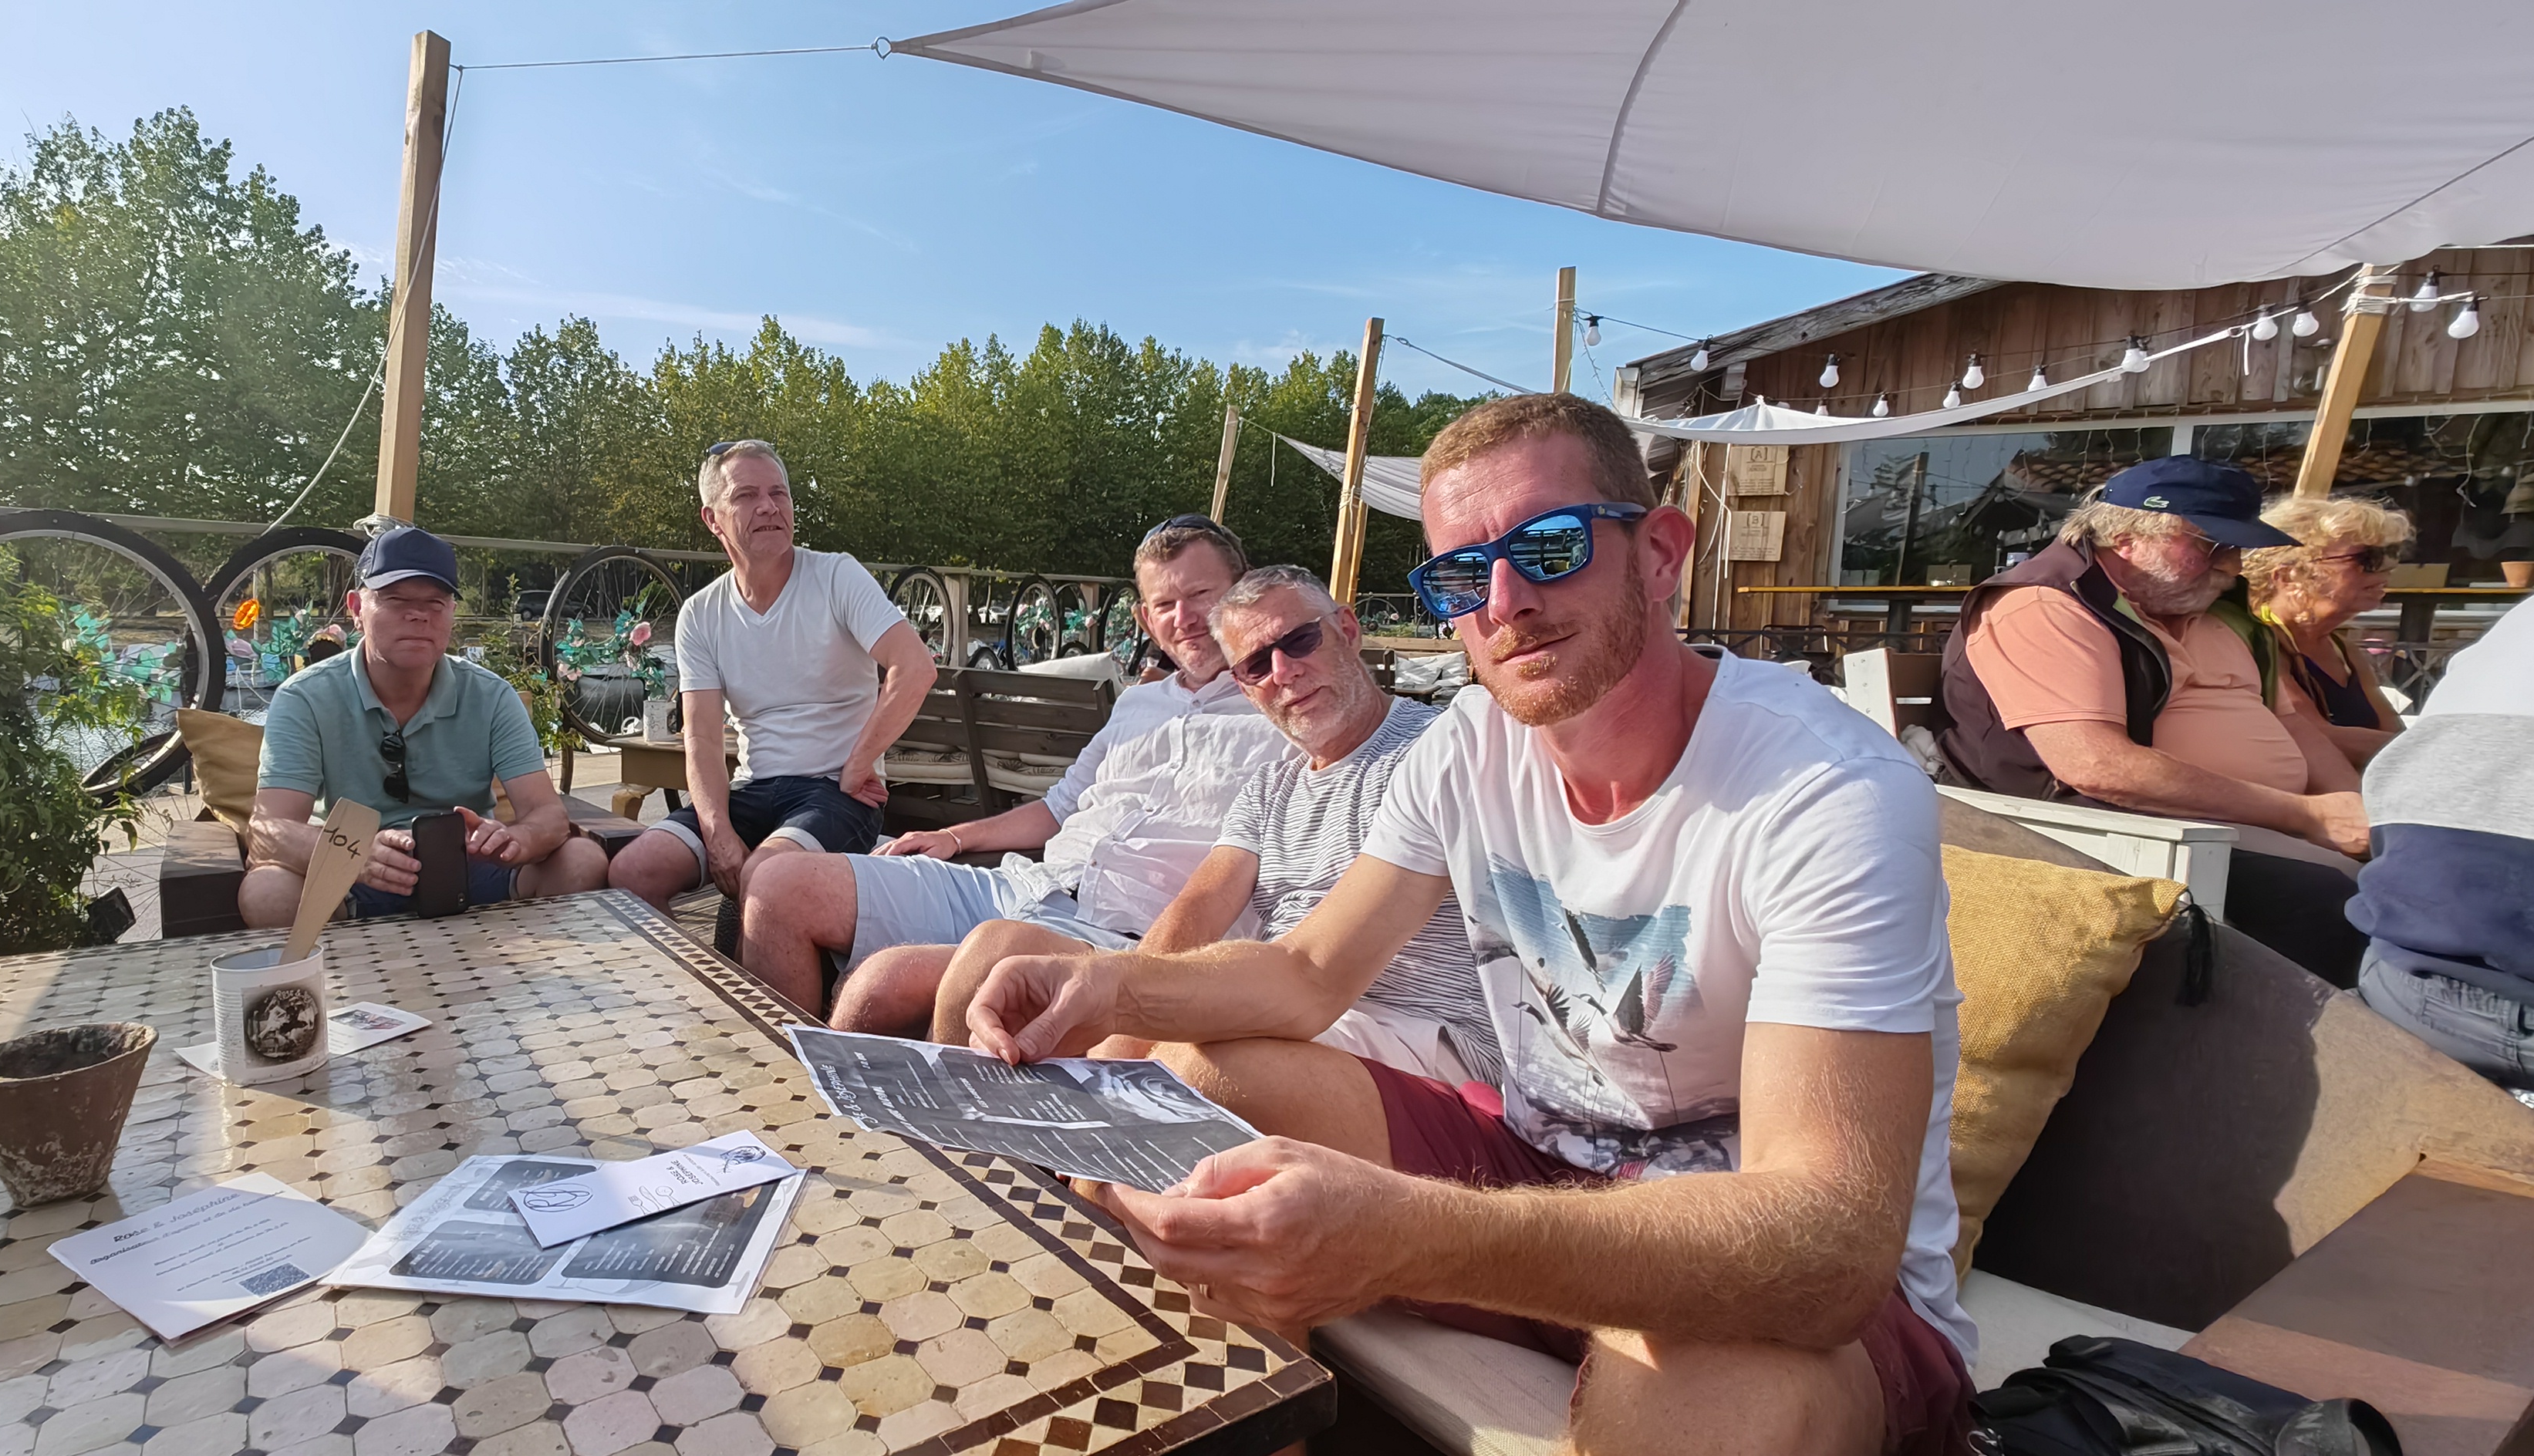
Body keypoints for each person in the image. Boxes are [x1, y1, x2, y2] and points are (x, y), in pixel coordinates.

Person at [965, 393, 1975, 1456]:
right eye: (1460, 575)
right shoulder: (1469, 747)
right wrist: (1109, 986)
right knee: (1190, 1083)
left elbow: (1828, 1248)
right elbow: (1308, 970)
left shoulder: (1824, 793)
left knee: (1714, 1403)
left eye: (1549, 548)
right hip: (1536, 1159)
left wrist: (1413, 1236)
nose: (1503, 602)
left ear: (1660, 553)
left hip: (1765, 1265)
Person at [918, 565, 1502, 1090]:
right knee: (995, 951)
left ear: (1348, 631)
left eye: (1300, 640)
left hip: (1421, 1029)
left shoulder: (1444, 744)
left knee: (1195, 1054)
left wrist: (1123, 1033)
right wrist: (1117, 1027)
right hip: (1285, 999)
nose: (1283, 672)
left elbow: (1312, 975)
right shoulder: (1272, 785)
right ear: (1244, 687)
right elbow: (1197, 907)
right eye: (1255, 665)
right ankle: (968, 1143)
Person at [740, 517, 1293, 1030]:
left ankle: (823, 1100)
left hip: (1119, 936)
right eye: (1165, 603)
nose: (1184, 618)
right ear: (1146, 619)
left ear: (1241, 595)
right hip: (1025, 886)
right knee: (778, 886)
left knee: (879, 985)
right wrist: (954, 836)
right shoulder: (1136, 705)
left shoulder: (1285, 716)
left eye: (1201, 595)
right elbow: (1057, 809)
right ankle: (774, 1084)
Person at [1938, 457, 2370, 984]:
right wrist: (2308, 816)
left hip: (2231, 824)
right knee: (2341, 897)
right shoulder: (2045, 604)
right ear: (2127, 539)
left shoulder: (2212, 615)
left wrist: (2355, 811)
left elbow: (2295, 729)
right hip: (2112, 832)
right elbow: (2096, 767)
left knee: (2408, 873)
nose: (2233, 567)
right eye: (2215, 546)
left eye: (2240, 549)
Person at [604, 441, 936, 949]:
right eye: (747, 496)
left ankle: (757, 1000)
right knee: (632, 873)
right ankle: (696, 989)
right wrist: (717, 833)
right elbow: (702, 739)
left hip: (836, 794)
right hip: (752, 791)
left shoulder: (836, 576)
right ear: (712, 519)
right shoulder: (701, 614)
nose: (769, 506)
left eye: (779, 493)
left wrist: (857, 764)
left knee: (763, 879)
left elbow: (915, 668)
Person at [243, 527, 608, 926]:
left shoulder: (491, 696)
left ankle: (531, 964)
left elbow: (547, 815)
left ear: (452, 612)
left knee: (582, 860)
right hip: (348, 878)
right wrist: (354, 853)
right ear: (356, 609)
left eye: (435, 602)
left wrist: (515, 840)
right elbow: (267, 830)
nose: (418, 615)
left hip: (470, 867)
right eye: (396, 599)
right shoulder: (306, 697)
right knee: (267, 892)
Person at [2347, 603, 2534, 1098]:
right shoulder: (2269, 642)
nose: (2376, 578)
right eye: (2364, 564)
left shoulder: (2518, 623)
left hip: (2401, 980)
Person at [2244, 494, 2414, 768]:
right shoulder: (2254, 643)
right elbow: (2315, 737)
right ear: (2289, 576)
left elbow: (2395, 733)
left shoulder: (2345, 651)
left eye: (2390, 553)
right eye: (2367, 558)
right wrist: (2428, 751)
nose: (2386, 569)